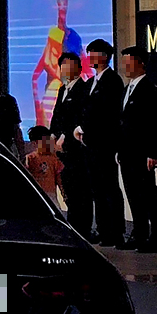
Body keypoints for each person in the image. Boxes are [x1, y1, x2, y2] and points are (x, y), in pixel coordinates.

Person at [117, 46, 157, 252]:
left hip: (142, 153)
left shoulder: (149, 91)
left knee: (148, 195)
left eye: (129, 62)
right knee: (133, 195)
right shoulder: (126, 89)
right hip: (126, 152)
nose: (125, 67)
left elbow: (155, 124)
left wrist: (152, 153)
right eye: (124, 63)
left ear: (141, 64)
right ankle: (139, 234)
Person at [77, 39, 126, 247]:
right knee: (96, 188)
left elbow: (107, 113)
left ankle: (116, 232)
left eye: (94, 54)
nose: (90, 58)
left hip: (105, 144)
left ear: (104, 57)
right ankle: (103, 229)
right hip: (90, 145)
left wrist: (86, 128)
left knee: (109, 188)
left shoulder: (112, 81)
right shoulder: (91, 82)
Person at [50, 52, 95, 238]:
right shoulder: (63, 89)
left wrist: (65, 136)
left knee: (81, 191)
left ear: (79, 68)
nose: (67, 69)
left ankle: (83, 228)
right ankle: (74, 226)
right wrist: (53, 135)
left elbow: (79, 118)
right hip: (62, 151)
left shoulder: (84, 89)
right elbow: (57, 115)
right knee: (69, 189)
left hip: (77, 149)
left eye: (71, 65)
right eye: (64, 66)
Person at [24, 125, 63, 206]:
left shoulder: (54, 159)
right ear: (35, 143)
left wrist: (64, 193)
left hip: (51, 197)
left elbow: (59, 179)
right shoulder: (30, 158)